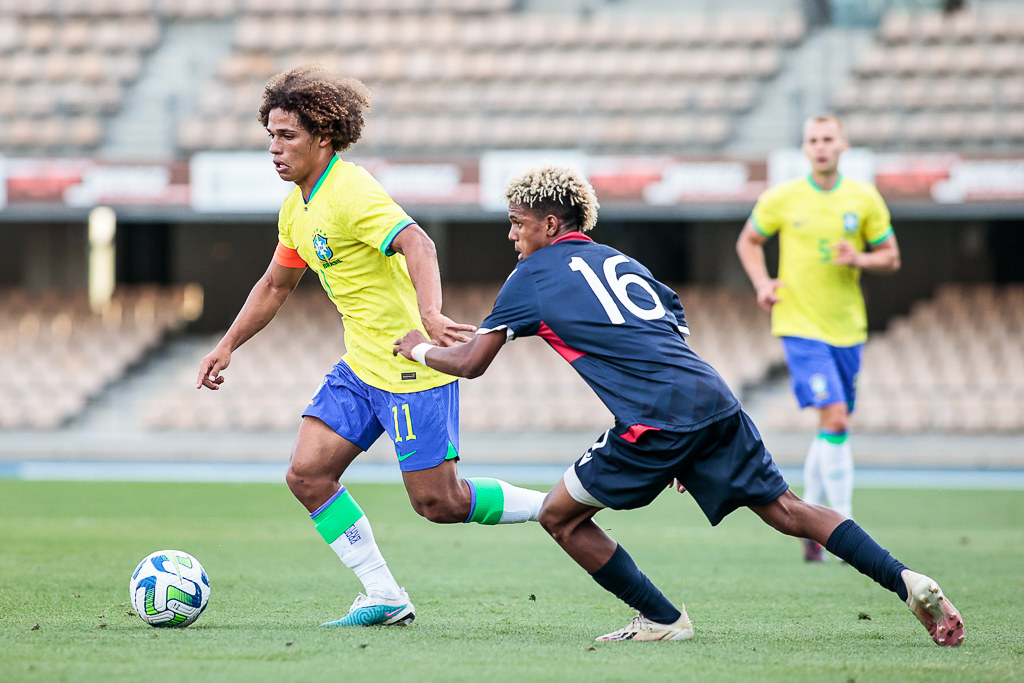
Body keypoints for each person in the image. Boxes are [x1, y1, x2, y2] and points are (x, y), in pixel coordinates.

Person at [393, 164, 962, 647]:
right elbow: (675, 319)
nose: (511, 236)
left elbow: (470, 363)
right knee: (789, 509)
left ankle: (663, 620)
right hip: (711, 398)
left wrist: (416, 346)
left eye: (517, 223)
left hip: (655, 419)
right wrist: (686, 447)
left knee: (558, 516)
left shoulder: (532, 275)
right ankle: (905, 578)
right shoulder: (622, 261)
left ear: (549, 223)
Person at [196, 65, 545, 628]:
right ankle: (384, 594)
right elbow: (275, 284)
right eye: (270, 135)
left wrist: (430, 315)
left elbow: (418, 241)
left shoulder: (350, 190)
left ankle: (555, 506)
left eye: (287, 137)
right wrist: (228, 344)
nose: (274, 148)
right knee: (306, 476)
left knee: (441, 504)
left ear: (323, 138)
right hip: (360, 367)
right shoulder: (297, 208)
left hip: (411, 369)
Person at [735, 114, 901, 562]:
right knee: (837, 420)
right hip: (799, 325)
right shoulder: (783, 197)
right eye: (813, 140)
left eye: (828, 139)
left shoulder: (863, 199)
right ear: (805, 148)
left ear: (842, 144)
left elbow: (891, 257)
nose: (821, 146)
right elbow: (748, 242)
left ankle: (812, 520)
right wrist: (762, 283)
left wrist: (861, 258)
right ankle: (843, 530)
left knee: (832, 426)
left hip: (848, 327)